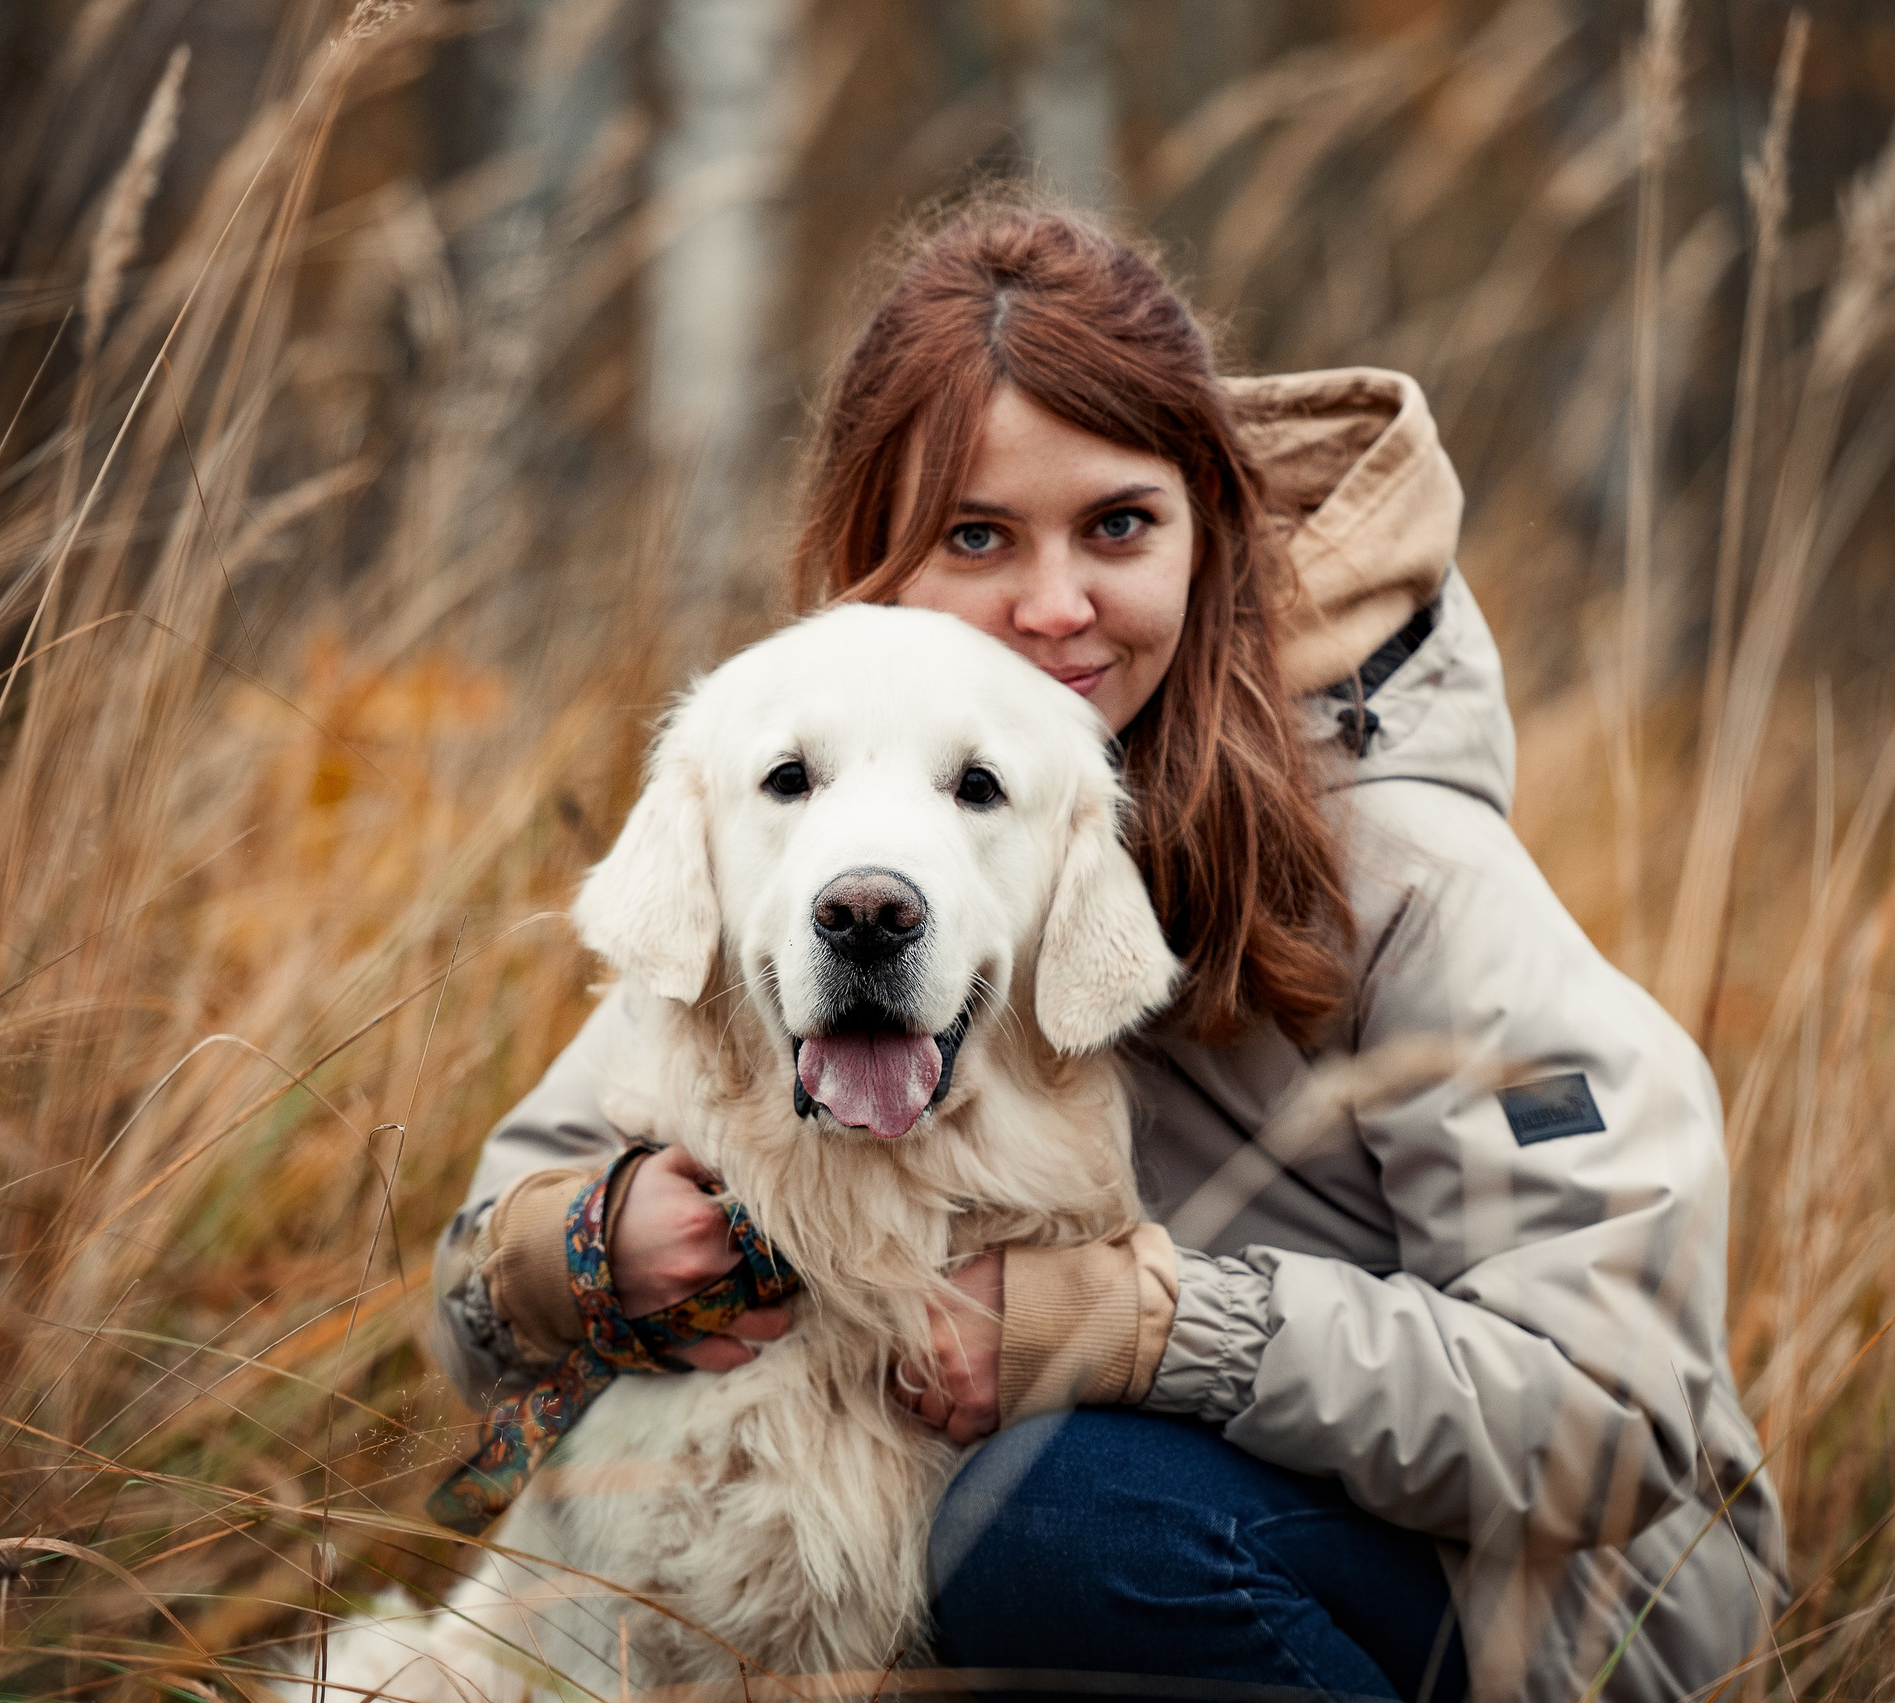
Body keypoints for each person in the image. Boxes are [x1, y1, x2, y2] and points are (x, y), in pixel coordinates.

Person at [430, 206, 1786, 1703]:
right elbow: (480, 1288)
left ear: (1213, 531)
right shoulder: (814, 843)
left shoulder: (1408, 875)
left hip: (1539, 1597)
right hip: (1141, 1554)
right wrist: (581, 1246)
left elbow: (1619, 1423)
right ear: (879, 562)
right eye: (977, 536)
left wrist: (1152, 1327)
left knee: (1046, 1518)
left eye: (1119, 528)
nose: (1056, 607)